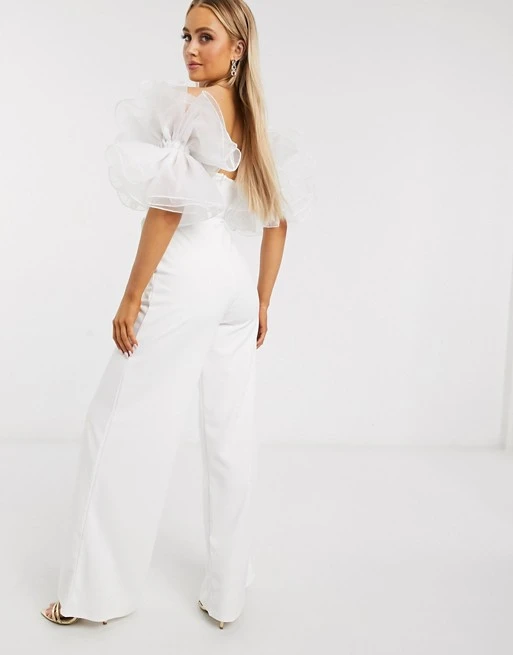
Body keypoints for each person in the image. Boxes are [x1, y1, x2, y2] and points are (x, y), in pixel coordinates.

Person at [41, 0, 314, 629]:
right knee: (229, 436)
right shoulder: (253, 117)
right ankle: (228, 595)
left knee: (117, 425)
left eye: (206, 37)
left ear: (237, 47)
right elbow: (278, 220)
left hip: (186, 276)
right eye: (186, 35)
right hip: (232, 286)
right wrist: (261, 299)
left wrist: (131, 294)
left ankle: (91, 597)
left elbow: (166, 208)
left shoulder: (194, 107)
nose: (191, 48)